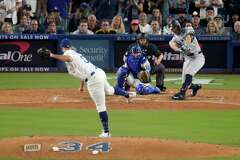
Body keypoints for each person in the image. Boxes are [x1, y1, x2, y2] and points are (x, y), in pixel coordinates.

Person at [46, 38, 135, 137]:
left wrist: (52, 55)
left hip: (93, 80)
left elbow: (68, 58)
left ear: (62, 47)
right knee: (109, 90)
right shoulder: (76, 54)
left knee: (100, 106)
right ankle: (128, 95)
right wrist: (81, 86)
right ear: (70, 46)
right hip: (99, 73)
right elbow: (81, 70)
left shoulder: (69, 54)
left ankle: (106, 132)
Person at [169, 20, 205, 100]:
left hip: (197, 58)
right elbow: (173, 46)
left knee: (189, 74)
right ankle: (195, 87)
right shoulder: (173, 39)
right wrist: (180, 49)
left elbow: (189, 37)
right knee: (185, 82)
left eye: (174, 28)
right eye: (172, 28)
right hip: (188, 59)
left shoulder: (188, 29)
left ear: (178, 26)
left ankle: (182, 93)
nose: (173, 30)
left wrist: (186, 46)